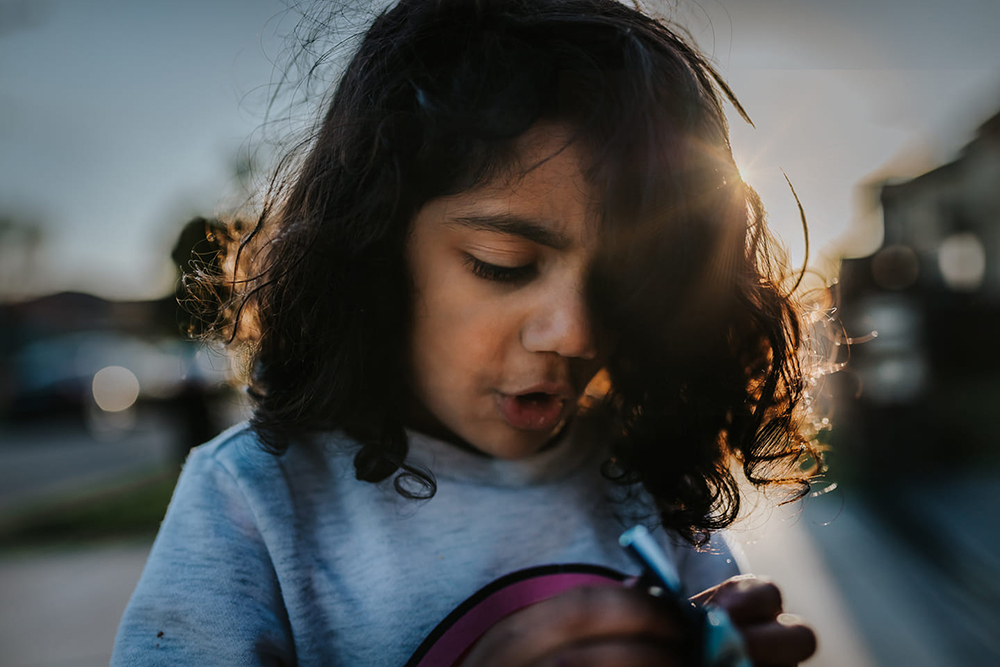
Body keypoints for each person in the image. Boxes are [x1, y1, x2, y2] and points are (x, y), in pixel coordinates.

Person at [113, 0, 823, 664]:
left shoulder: (641, 483)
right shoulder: (254, 500)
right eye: (502, 265)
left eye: (618, 280)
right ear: (376, 250)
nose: (573, 334)